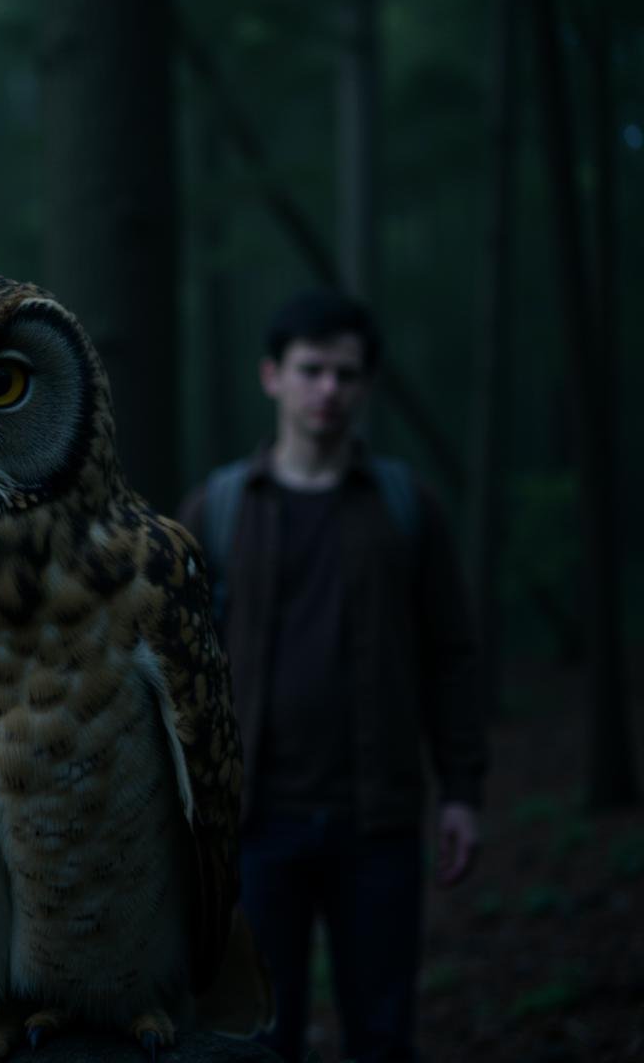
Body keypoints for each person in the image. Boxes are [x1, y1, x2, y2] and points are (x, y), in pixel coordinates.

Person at [178, 290, 488, 1063]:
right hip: (251, 826)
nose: (328, 390)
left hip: (375, 822)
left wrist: (461, 791)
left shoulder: (405, 507)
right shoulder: (217, 511)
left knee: (381, 1033)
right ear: (270, 376)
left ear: (366, 385)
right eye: (310, 370)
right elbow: (172, 673)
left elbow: (452, 657)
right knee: (254, 1038)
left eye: (345, 374)